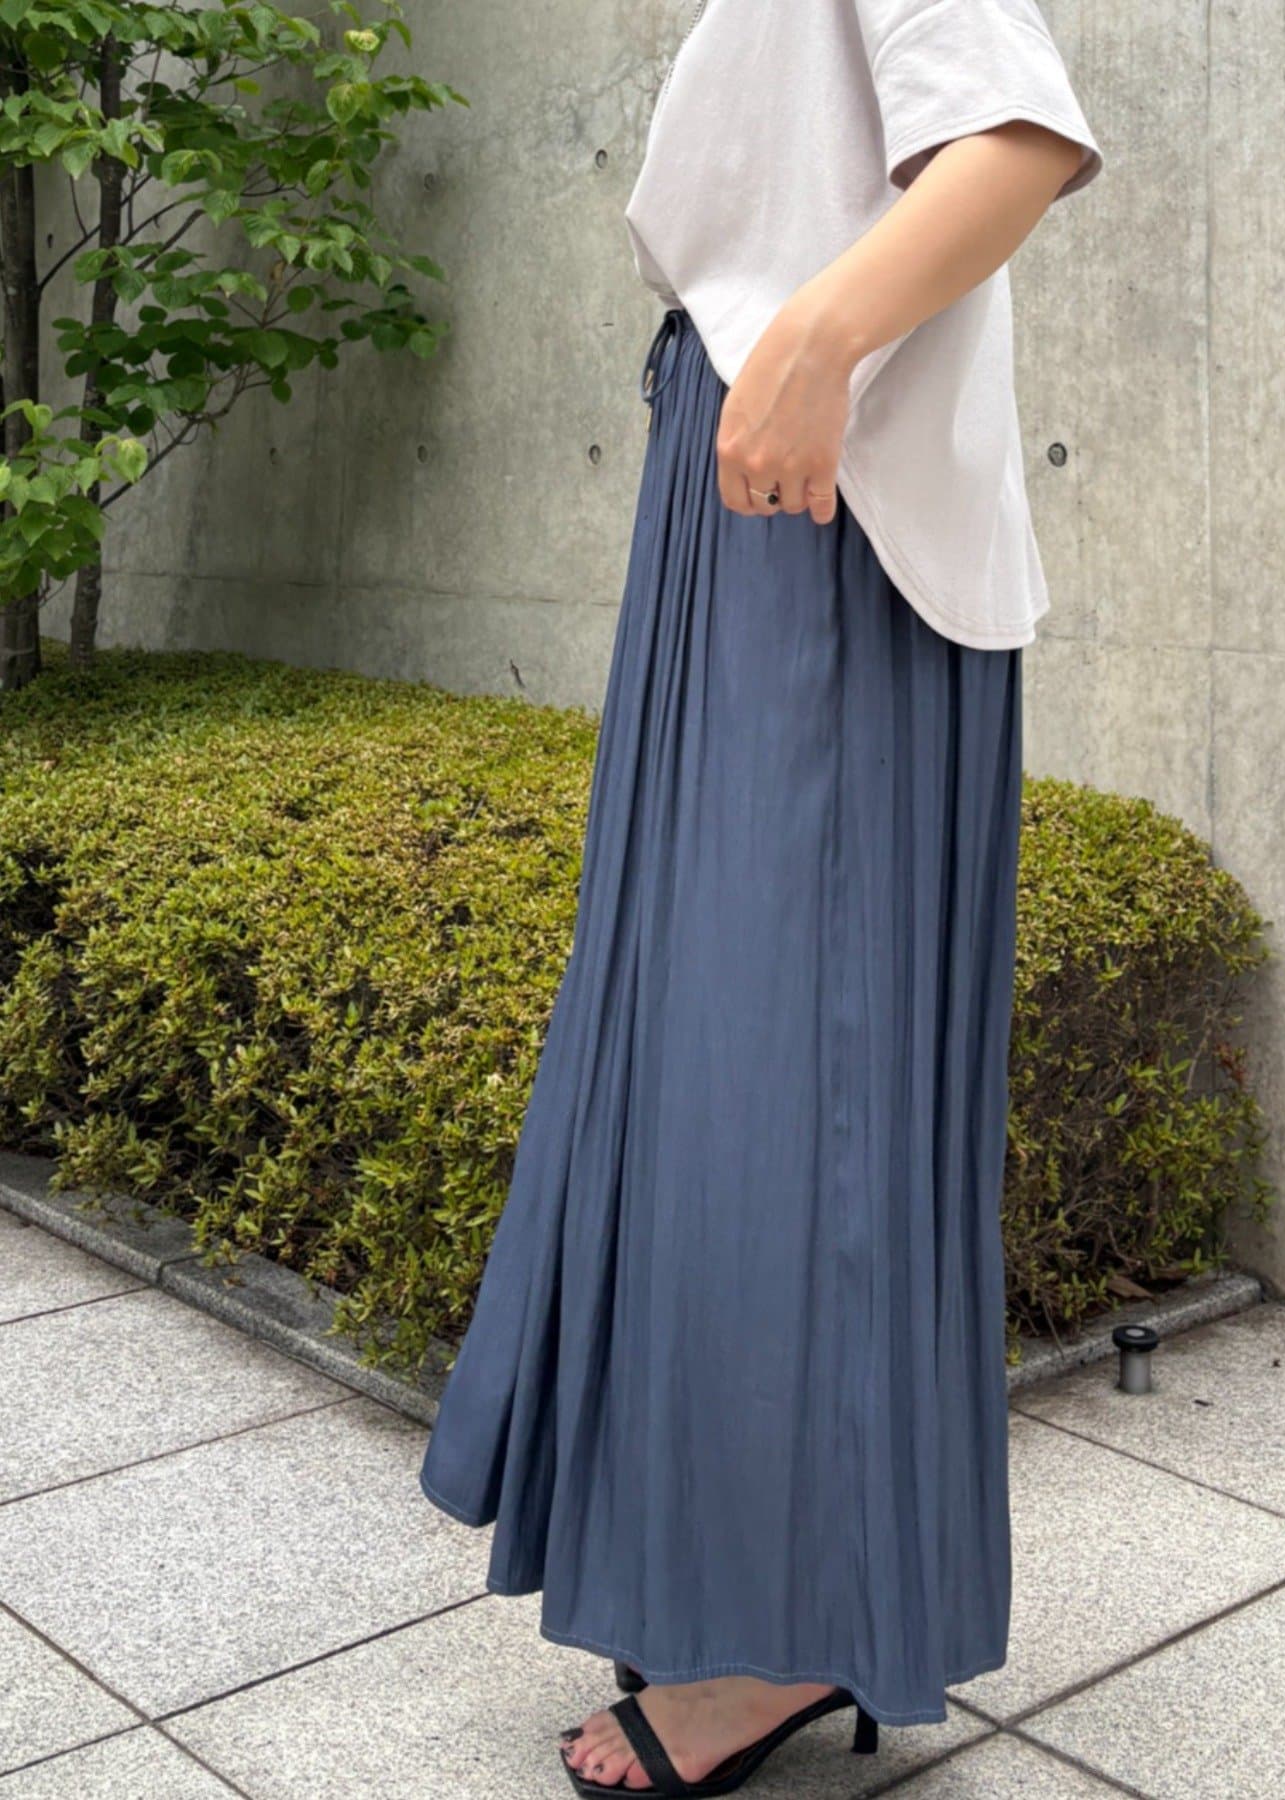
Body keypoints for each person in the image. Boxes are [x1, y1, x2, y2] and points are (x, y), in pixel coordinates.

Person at [419, 2, 1104, 1793]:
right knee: (716, 1069)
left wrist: (810, 337)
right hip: (755, 499)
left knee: (785, 1078)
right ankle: (741, 1571)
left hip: (824, 520)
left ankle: (789, 1630)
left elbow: (1014, 139)